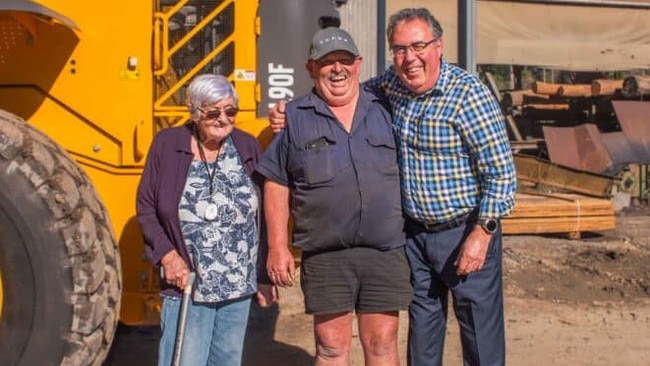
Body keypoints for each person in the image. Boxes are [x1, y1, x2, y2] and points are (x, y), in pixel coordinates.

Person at [269, 8, 517, 366]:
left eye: (418, 46)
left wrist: (483, 232)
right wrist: (291, 110)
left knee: (479, 336)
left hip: (465, 231)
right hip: (414, 238)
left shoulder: (468, 95)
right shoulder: (391, 86)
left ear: (439, 46)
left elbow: (501, 173)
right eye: (399, 49)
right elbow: (345, 89)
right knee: (423, 338)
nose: (409, 58)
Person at [256, 27, 413, 366]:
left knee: (383, 344)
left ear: (358, 64)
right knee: (330, 347)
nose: (337, 69)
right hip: (326, 254)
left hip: (383, 251)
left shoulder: (387, 109)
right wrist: (277, 246)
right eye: (327, 62)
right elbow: (276, 181)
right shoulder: (294, 118)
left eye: (344, 60)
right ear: (310, 68)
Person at [136, 74, 277, 366]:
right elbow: (147, 207)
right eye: (213, 112)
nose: (223, 119)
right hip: (189, 284)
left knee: (227, 362)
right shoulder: (168, 144)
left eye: (230, 111)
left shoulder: (246, 146)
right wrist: (167, 256)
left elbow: (261, 215)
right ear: (195, 111)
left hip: (237, 287)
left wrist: (263, 274)